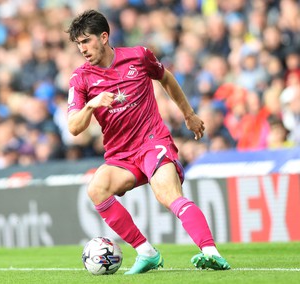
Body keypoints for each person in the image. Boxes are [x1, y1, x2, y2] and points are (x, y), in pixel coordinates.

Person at [66, 9, 230, 274]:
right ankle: (147, 252)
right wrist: (91, 106)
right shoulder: (80, 78)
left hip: (152, 142)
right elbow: (74, 127)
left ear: (104, 37)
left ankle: (210, 252)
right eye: (78, 44)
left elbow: (165, 78)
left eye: (86, 41)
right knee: (97, 188)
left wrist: (188, 114)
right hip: (121, 156)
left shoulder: (139, 56)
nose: (82, 48)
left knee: (168, 195)